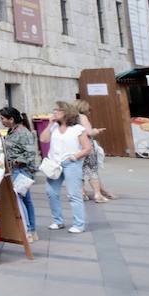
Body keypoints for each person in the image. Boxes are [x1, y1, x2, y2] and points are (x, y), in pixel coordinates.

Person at [46, 100, 92, 234]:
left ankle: (79, 224)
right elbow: (43, 139)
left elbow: (87, 148)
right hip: (54, 163)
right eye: (54, 110)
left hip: (71, 164)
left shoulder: (77, 129)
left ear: (66, 113)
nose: (54, 112)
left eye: (57, 110)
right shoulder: (54, 127)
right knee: (51, 192)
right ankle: (57, 221)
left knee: (74, 194)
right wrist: (49, 124)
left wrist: (74, 157)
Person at [0, 106, 38, 241]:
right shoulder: (12, 131)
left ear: (11, 119)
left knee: (19, 198)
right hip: (16, 169)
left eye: (3, 118)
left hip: (22, 170)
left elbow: (30, 153)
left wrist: (16, 161)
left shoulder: (23, 133)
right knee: (26, 199)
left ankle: (27, 230)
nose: (2, 121)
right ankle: (32, 230)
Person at [73, 99, 115, 203]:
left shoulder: (70, 118)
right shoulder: (82, 117)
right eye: (88, 110)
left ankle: (82, 193)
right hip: (86, 146)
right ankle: (98, 194)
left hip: (76, 147)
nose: (89, 112)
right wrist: (97, 131)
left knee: (80, 171)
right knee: (92, 170)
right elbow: (89, 132)